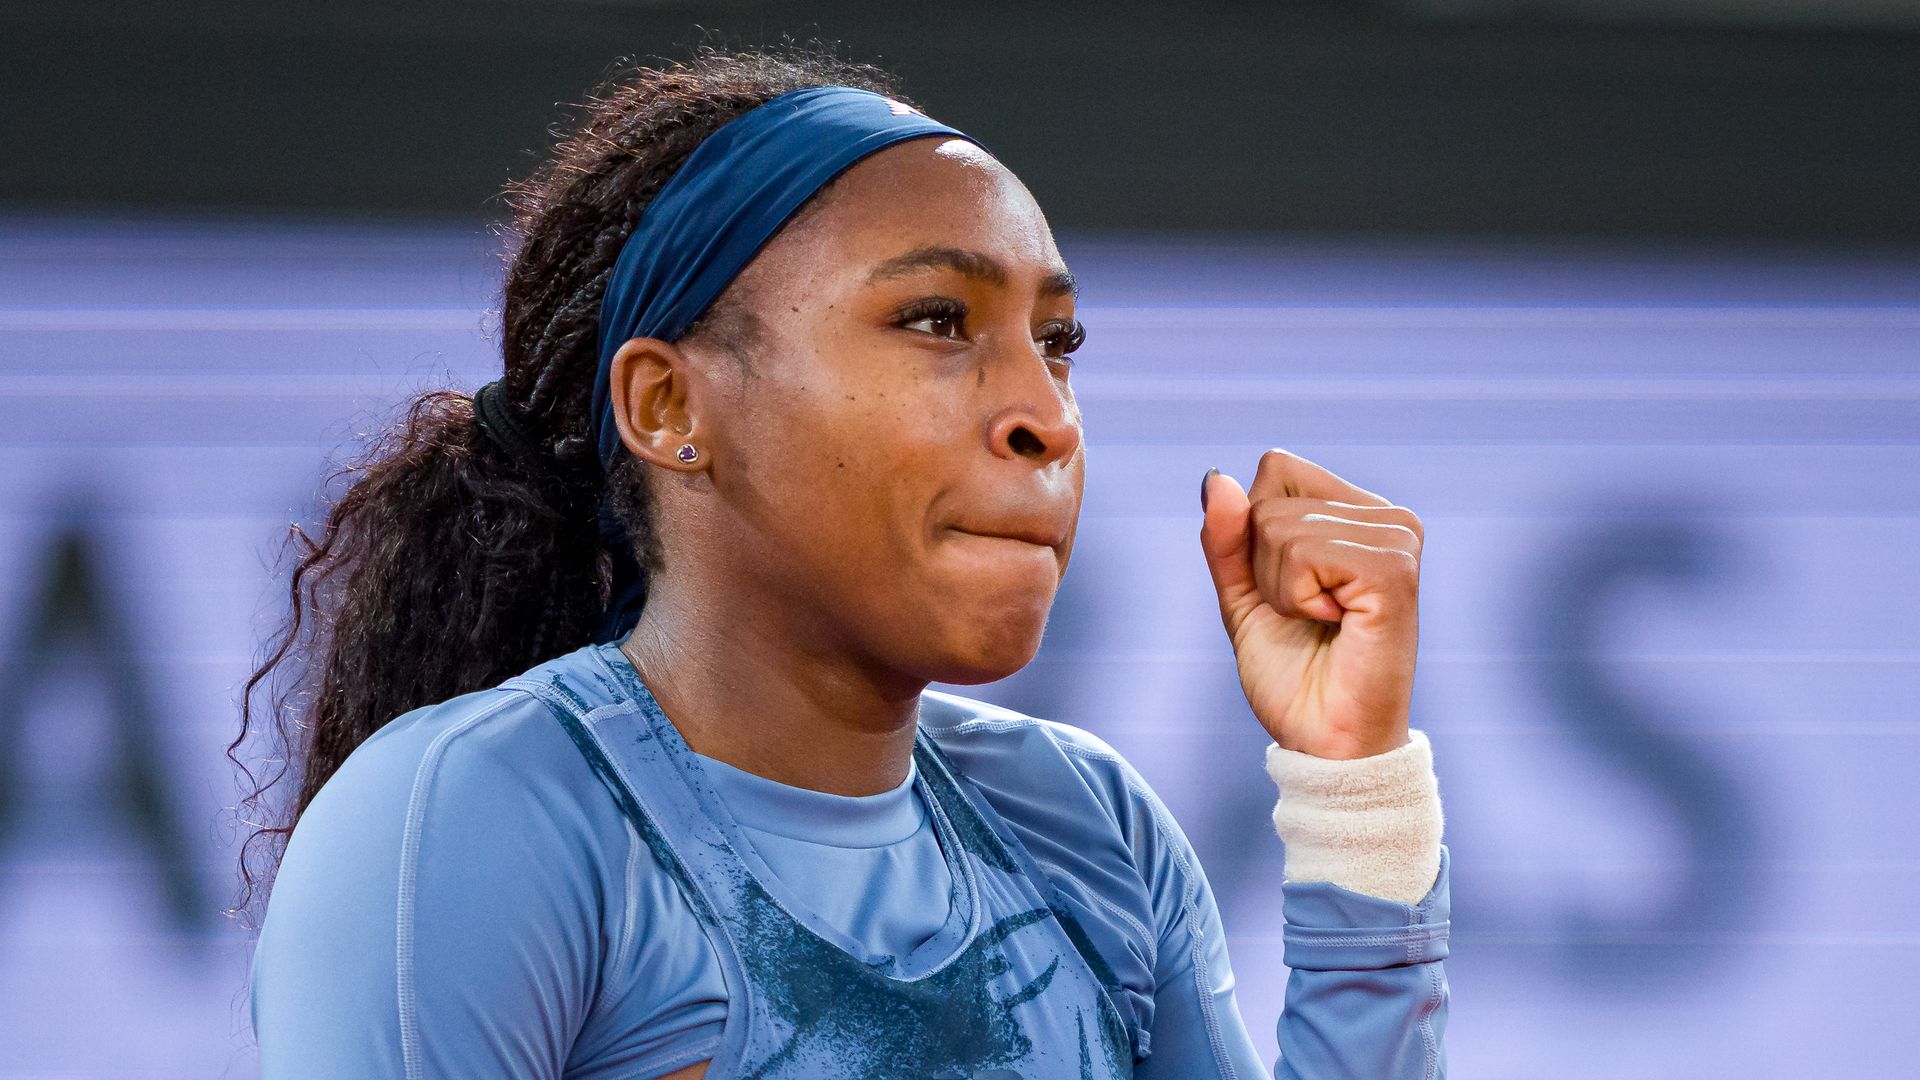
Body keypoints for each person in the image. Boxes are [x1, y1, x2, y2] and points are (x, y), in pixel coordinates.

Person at [239, 46, 1449, 1079]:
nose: (1048, 414)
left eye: (1059, 341)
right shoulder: (478, 819)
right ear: (670, 406)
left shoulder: (1089, 827)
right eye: (937, 321)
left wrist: (1355, 785)